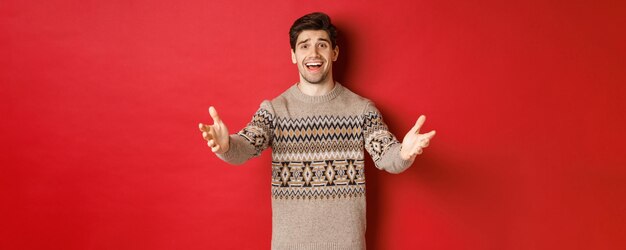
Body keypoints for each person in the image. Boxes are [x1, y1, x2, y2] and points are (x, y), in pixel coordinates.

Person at [199, 12, 436, 250]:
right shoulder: (274, 110)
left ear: (334, 53)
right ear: (293, 55)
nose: (313, 54)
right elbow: (246, 146)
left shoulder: (361, 110)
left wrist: (404, 153)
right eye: (304, 46)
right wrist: (227, 146)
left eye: (322, 45)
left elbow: (386, 154)